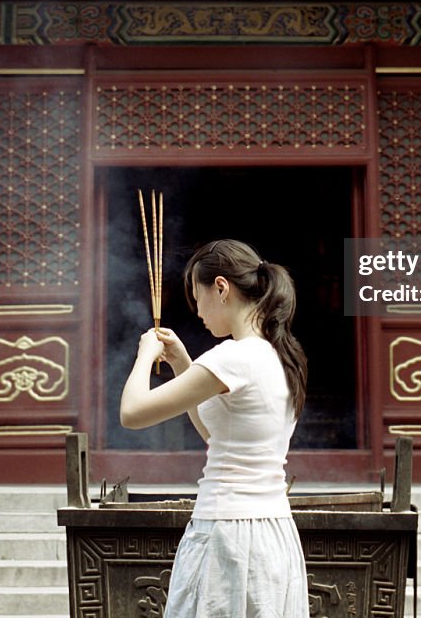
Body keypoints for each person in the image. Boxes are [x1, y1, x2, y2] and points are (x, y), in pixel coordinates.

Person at [120, 238, 308, 618]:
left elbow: (133, 413)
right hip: (273, 530)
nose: (198, 312)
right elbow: (217, 435)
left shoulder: (232, 357)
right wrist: (181, 364)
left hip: (228, 531)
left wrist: (144, 356)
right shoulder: (281, 354)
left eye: (197, 297)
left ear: (221, 288)